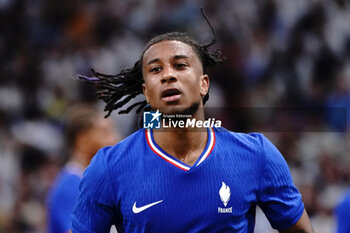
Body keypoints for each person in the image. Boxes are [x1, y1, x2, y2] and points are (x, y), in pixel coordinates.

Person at [70, 16, 315, 232]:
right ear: (146, 92)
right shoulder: (109, 168)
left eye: (180, 65)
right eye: (155, 70)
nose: (168, 75)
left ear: (203, 84)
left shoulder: (257, 155)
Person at [47, 104, 119, 233]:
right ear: (82, 140)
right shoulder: (71, 186)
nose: (115, 139)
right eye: (105, 132)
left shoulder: (97, 182)